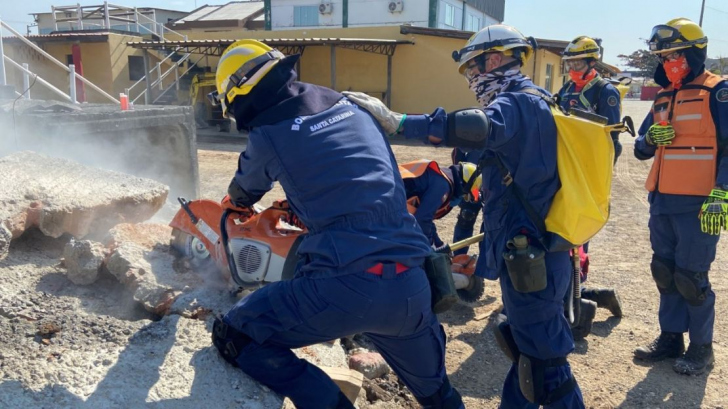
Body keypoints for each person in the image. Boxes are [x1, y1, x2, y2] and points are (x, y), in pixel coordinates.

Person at [208, 40, 464, 408]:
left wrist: (233, 204)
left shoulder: (268, 132)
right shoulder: (351, 107)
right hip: (412, 286)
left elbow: (244, 191)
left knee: (237, 334)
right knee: (438, 395)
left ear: (238, 95)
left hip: (345, 287)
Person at [346, 24, 584, 408]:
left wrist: (400, 122)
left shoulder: (518, 102)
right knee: (525, 347)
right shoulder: (538, 99)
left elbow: (475, 126)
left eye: (473, 69)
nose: (472, 80)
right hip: (531, 247)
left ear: (493, 60)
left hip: (532, 251)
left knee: (546, 360)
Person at [632, 18, 728, 376]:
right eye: (664, 55)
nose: (670, 61)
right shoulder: (662, 96)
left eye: (675, 54)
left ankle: (702, 349)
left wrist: (723, 193)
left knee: (692, 277)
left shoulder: (719, 92)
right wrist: (651, 139)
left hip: (701, 203)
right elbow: (641, 149)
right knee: (665, 272)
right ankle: (670, 338)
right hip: (663, 201)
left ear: (693, 52)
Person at [557, 36, 624, 339]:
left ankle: (577, 300)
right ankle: (575, 294)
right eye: (569, 62)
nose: (572, 67)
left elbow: (610, 141)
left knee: (580, 233)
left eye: (577, 62)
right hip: (566, 169)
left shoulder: (604, 91)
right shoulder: (566, 89)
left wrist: (597, 177)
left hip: (589, 173)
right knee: (564, 230)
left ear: (591, 63)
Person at [399, 159, 482, 249]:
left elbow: (427, 219)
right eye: (465, 194)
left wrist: (439, 245)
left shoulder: (440, 178)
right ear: (465, 184)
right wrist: (430, 246)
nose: (462, 197)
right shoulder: (443, 186)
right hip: (390, 205)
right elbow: (422, 219)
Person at [451, 148, 485, 255]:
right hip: (472, 181)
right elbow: (458, 150)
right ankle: (459, 258)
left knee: (491, 224)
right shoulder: (477, 130)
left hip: (496, 183)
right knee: (467, 216)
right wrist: (461, 180)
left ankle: (486, 264)